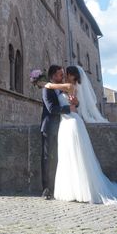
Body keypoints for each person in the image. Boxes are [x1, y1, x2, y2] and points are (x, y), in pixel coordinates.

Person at [45, 65, 117, 205]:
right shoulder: (65, 87)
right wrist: (73, 102)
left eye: (65, 73)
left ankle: (83, 190)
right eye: (61, 74)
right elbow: (72, 102)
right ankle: (73, 190)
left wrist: (46, 83)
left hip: (72, 123)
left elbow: (52, 87)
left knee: (78, 156)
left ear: (72, 76)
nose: (63, 75)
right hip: (65, 124)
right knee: (69, 157)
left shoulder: (69, 86)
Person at [40, 65, 72, 200]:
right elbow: (52, 108)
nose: (62, 77)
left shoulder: (61, 89)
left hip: (63, 128)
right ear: (53, 76)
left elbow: (72, 102)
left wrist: (75, 103)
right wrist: (68, 109)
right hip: (50, 128)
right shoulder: (47, 89)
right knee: (47, 158)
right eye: (60, 75)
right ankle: (46, 189)